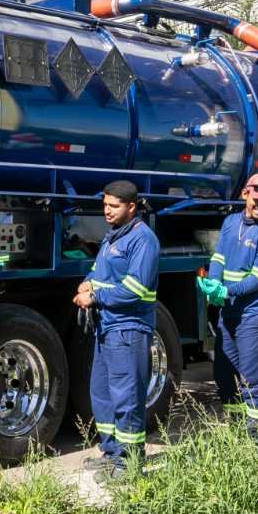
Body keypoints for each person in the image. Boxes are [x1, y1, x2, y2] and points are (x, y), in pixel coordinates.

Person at [73, 180, 160, 477]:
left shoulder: (143, 240)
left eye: (114, 206)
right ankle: (111, 452)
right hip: (107, 328)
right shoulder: (112, 238)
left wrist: (94, 296)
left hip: (128, 330)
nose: (107, 211)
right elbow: (99, 273)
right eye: (105, 206)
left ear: (131, 207)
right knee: (102, 394)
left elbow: (134, 289)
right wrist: (88, 282)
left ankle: (130, 462)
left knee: (127, 397)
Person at [201, 172, 258, 440]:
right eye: (257, 199)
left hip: (256, 316)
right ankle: (237, 434)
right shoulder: (230, 222)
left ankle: (256, 440)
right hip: (231, 314)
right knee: (225, 376)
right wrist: (213, 282)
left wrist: (225, 291)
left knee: (254, 379)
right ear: (244, 194)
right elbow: (219, 257)